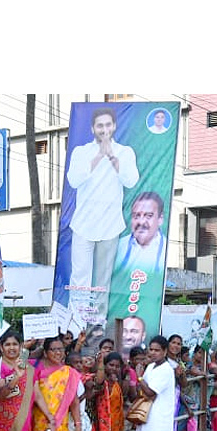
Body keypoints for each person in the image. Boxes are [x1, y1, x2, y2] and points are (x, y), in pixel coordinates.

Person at [64, 108, 140, 307]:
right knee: (80, 277)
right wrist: (98, 155)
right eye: (100, 125)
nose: (104, 129)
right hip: (83, 224)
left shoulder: (125, 152)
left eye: (108, 125)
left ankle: (97, 324)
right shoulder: (81, 152)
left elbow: (131, 181)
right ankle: (76, 325)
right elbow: (73, 180)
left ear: (114, 126)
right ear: (92, 128)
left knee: (103, 280)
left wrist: (113, 158)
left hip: (110, 225)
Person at [113, 191, 168, 282]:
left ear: (160, 219)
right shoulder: (119, 247)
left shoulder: (169, 250)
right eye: (136, 216)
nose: (141, 222)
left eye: (148, 216)